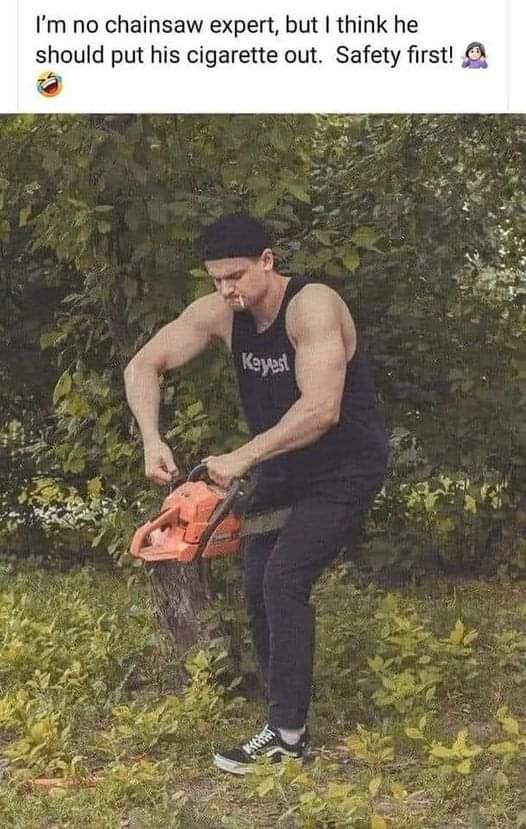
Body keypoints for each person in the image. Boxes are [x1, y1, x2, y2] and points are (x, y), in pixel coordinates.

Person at [123, 214, 389, 775]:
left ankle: (287, 737)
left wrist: (241, 457)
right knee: (258, 584)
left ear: (267, 261)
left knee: (283, 579)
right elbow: (143, 364)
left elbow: (321, 409)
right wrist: (151, 438)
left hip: (344, 468)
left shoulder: (312, 306)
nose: (228, 290)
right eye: (218, 279)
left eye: (237, 276)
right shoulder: (221, 312)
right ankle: (280, 715)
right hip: (282, 468)